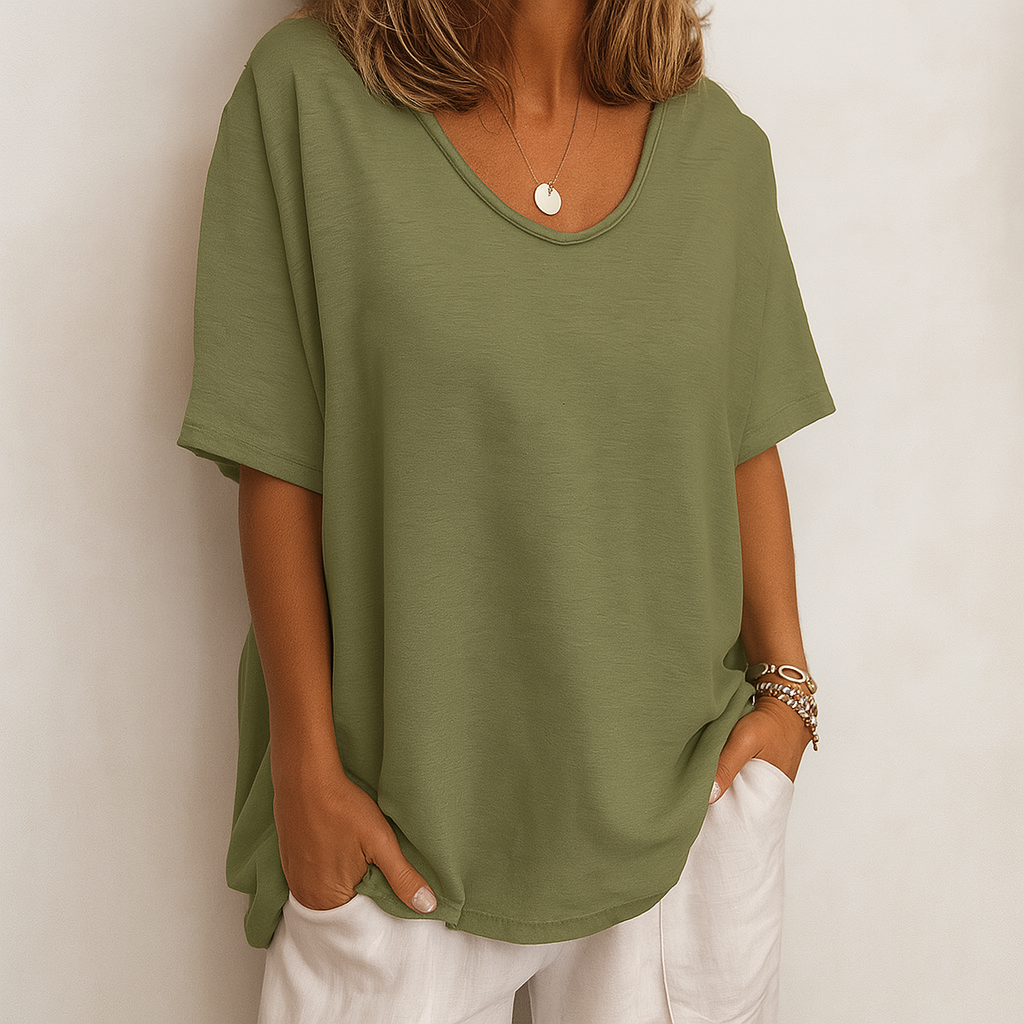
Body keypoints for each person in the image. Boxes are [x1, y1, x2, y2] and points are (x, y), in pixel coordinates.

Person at [179, 1, 834, 1020]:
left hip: (681, 826)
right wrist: (306, 767)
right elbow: (278, 460)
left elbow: (743, 439)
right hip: (399, 838)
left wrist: (787, 691)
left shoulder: (719, 150)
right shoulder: (306, 99)